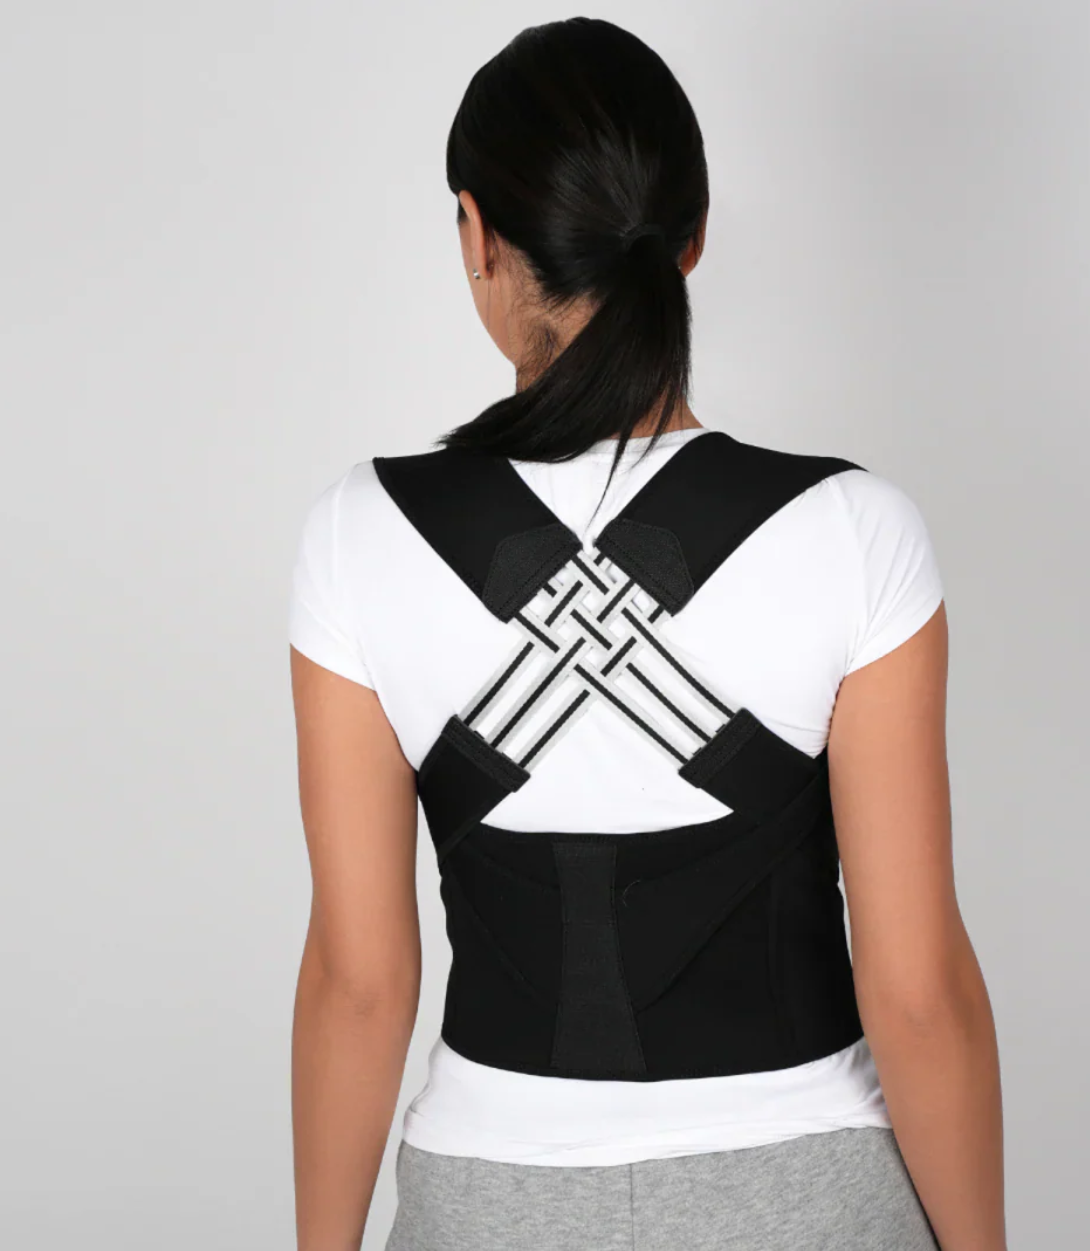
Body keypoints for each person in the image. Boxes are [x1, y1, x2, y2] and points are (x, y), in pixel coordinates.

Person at [287, 17, 1006, 1251]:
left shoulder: (361, 535)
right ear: (693, 235)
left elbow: (360, 987)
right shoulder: (854, 531)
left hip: (492, 1204)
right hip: (810, 1199)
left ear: (477, 236)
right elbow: (917, 991)